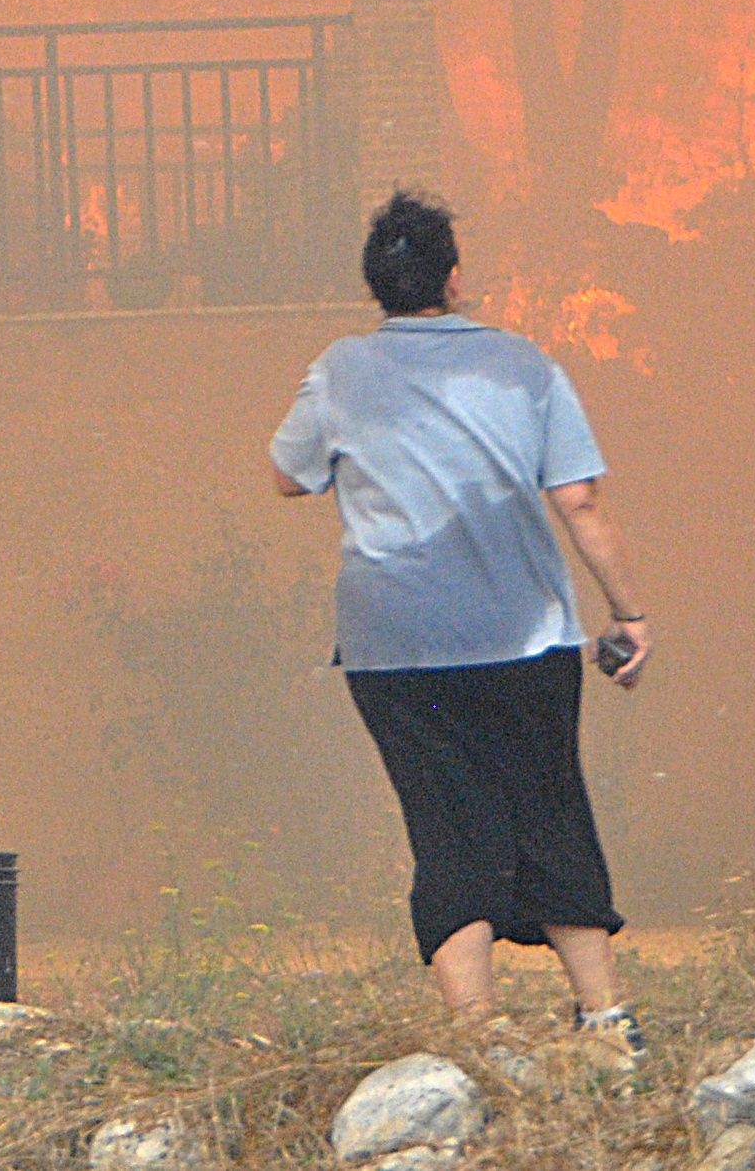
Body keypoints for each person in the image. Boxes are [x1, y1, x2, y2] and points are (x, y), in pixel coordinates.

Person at [270, 192, 654, 1043]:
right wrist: (626, 614)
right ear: (453, 278)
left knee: (447, 827)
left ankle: (479, 1038)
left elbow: (289, 476)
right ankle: (605, 1019)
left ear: (376, 285)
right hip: (523, 639)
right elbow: (580, 502)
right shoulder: (525, 367)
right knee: (550, 812)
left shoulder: (339, 370)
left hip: (393, 649)